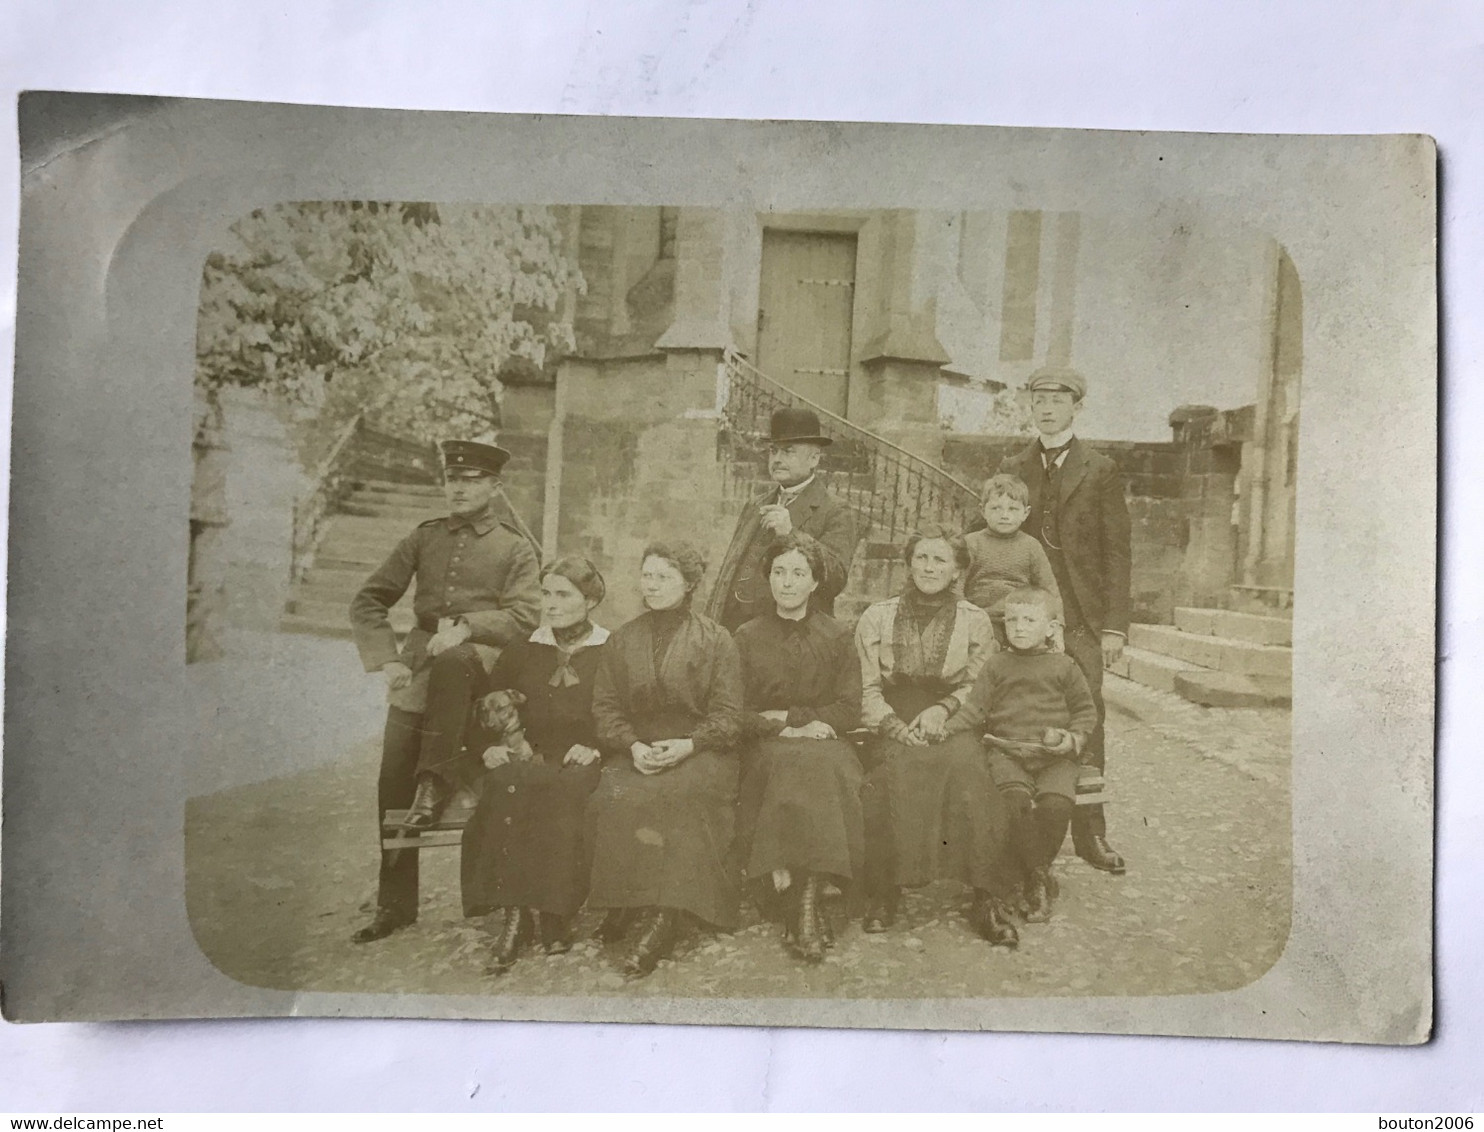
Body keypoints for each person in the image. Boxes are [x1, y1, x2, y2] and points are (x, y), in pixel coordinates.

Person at [348, 439, 541, 944]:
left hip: (480, 675)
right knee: (392, 784)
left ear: (495, 488)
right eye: (453, 479)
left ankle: (506, 896)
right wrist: (386, 658)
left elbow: (523, 616)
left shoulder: (515, 547)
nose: (459, 488)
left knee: (500, 788)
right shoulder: (424, 537)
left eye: (472, 480)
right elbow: (370, 599)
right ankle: (395, 905)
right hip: (419, 671)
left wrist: (467, 626)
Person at [853, 522, 1019, 947]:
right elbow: (866, 686)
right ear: (908, 564)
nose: (929, 567)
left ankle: (986, 895)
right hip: (894, 713)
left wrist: (943, 711)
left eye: (939, 559)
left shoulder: (975, 620)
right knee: (888, 778)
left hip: (952, 716)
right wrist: (891, 723)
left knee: (969, 774)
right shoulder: (878, 615)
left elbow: (977, 685)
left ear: (957, 570)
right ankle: (884, 891)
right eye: (921, 558)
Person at [587, 542, 745, 977]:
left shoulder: (716, 639)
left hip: (703, 750)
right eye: (647, 576)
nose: (651, 585)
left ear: (690, 584)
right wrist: (633, 745)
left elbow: (729, 716)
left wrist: (689, 745)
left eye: (664, 577)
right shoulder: (623, 639)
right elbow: (606, 707)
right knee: (614, 796)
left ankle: (665, 916)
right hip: (639, 749)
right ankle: (626, 899)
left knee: (680, 797)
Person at [1000, 366, 1132, 876]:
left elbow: (1117, 552)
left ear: (1077, 406)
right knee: (1018, 709)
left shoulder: (1100, 469)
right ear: (1030, 405)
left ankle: (1090, 833)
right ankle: (1019, 828)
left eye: (1058, 399)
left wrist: (1115, 626)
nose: (1048, 407)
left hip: (1080, 618)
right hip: (1024, 615)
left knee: (1086, 718)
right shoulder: (1014, 466)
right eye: (1040, 398)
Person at [459, 556, 610, 974]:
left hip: (579, 758)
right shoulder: (524, 650)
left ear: (591, 600)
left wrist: (595, 746)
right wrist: (487, 747)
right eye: (546, 594)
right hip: (525, 755)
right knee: (509, 781)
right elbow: (483, 710)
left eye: (563, 595)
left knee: (562, 790)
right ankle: (515, 914)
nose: (551, 604)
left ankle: (553, 913)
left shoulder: (610, 650)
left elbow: (621, 712)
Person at [733, 534, 864, 963]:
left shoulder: (838, 635)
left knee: (826, 769)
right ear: (768, 579)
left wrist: (812, 725)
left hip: (824, 740)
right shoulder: (747, 636)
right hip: (768, 744)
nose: (786, 583)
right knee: (784, 767)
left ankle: (802, 900)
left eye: (798, 573)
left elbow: (849, 705)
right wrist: (784, 727)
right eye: (779, 573)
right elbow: (736, 708)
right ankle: (800, 904)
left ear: (814, 583)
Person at [948, 585, 1097, 923]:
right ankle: (1038, 878)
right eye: (1012, 619)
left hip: (1055, 755)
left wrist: (1072, 739)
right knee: (1013, 802)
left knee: (1056, 806)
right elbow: (974, 710)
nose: (1018, 627)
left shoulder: (1065, 666)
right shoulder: (997, 665)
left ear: (1050, 628)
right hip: (1008, 752)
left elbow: (1086, 712)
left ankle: (1034, 872)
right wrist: (945, 727)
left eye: (1030, 620)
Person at [711, 407, 859, 631]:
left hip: (790, 637)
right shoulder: (755, 505)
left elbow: (835, 579)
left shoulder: (836, 510)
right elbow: (729, 571)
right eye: (773, 451)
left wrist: (791, 534)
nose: (777, 459)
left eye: (788, 451)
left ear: (814, 458)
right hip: (735, 632)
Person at [962, 473, 1062, 647]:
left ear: (1025, 513)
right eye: (996, 508)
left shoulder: (1031, 546)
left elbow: (1049, 590)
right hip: (979, 619)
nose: (1004, 515)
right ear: (982, 510)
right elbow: (957, 585)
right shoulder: (970, 543)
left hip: (1020, 620)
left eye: (1013, 509)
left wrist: (1058, 627)